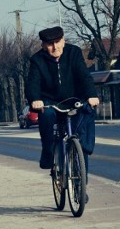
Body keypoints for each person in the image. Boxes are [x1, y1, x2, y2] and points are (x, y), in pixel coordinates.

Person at [25, 26, 99, 175]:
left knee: (87, 113)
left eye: (58, 42)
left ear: (63, 41)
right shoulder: (37, 60)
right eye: (50, 44)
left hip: (74, 100)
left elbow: (84, 76)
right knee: (46, 115)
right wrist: (35, 99)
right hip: (50, 103)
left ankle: (84, 149)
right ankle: (48, 151)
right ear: (44, 45)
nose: (55, 47)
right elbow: (32, 84)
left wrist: (91, 94)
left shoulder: (74, 53)